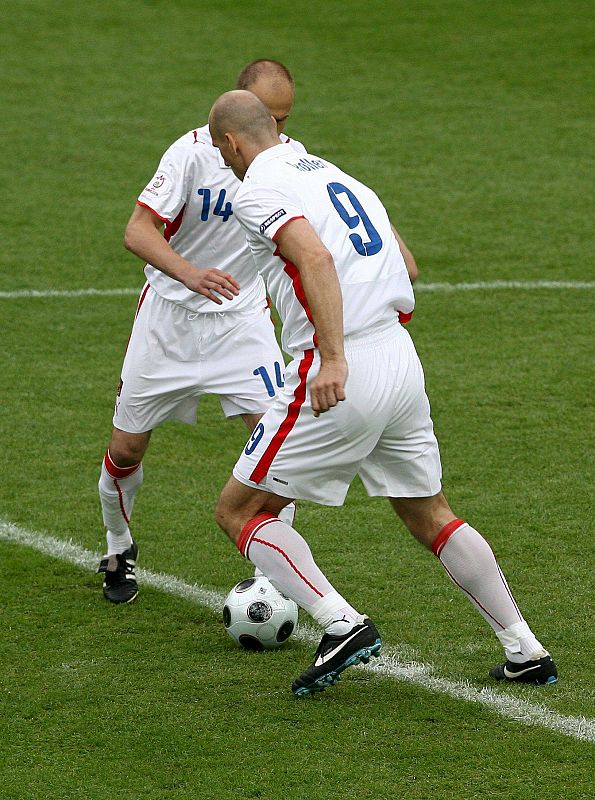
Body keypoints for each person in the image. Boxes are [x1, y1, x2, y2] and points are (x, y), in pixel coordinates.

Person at [208, 90, 558, 696]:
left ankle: (342, 625)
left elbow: (312, 256)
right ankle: (525, 648)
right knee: (429, 512)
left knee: (239, 511)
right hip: (400, 357)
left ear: (234, 143)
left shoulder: (258, 189)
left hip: (342, 367)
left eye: (222, 150)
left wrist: (335, 357)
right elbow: (408, 264)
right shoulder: (337, 175)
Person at [97, 61, 306, 604]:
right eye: (268, 118)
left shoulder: (288, 160)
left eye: (284, 120)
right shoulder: (189, 154)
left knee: (277, 454)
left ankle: (270, 573)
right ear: (237, 111)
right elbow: (137, 231)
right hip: (168, 321)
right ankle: (118, 547)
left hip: (242, 325)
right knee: (126, 449)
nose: (277, 134)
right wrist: (190, 273)